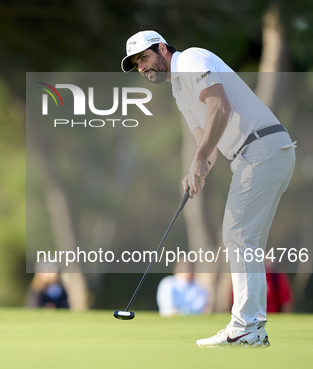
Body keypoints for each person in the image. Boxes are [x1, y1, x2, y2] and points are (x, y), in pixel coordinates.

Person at [121, 30, 296, 348]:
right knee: (246, 239)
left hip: (261, 148)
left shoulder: (190, 59)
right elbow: (207, 139)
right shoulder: (178, 90)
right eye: (137, 65)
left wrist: (200, 158)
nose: (143, 68)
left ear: (162, 48)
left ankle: (245, 326)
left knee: (238, 235)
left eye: (145, 58)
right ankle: (252, 327)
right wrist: (195, 169)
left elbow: (220, 107)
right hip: (262, 153)